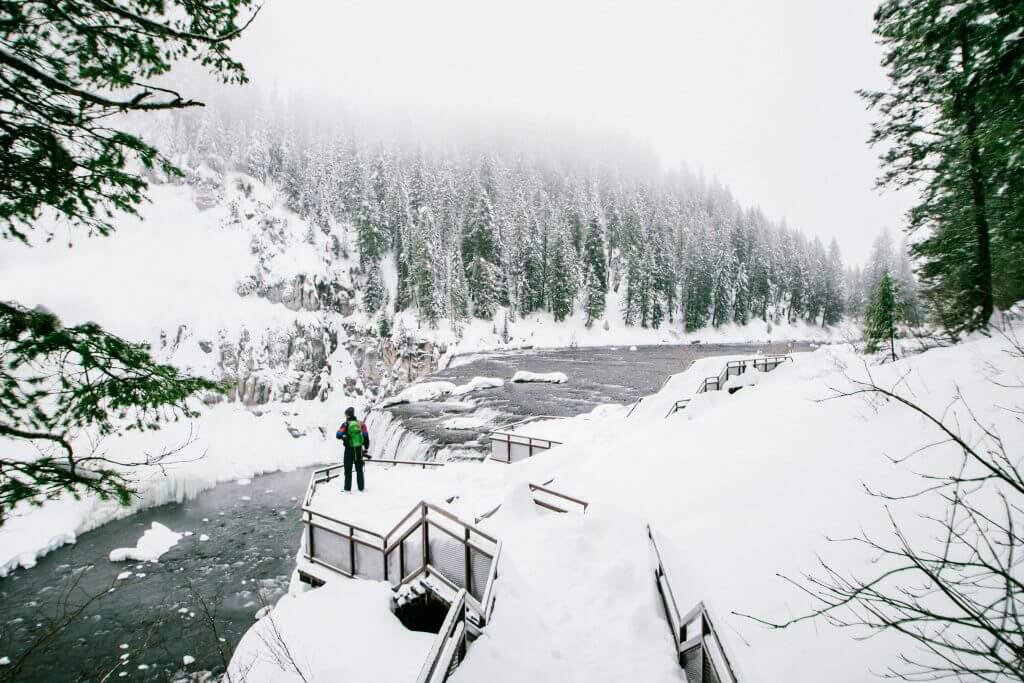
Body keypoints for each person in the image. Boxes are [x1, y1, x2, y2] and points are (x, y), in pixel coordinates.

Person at [336, 407, 370, 492]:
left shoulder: (345, 424)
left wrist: (344, 436)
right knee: (359, 470)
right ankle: (361, 488)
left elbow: (338, 435)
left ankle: (347, 489)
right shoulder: (361, 424)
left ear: (347, 415)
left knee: (348, 470)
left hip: (348, 450)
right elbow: (366, 436)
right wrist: (366, 447)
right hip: (358, 450)